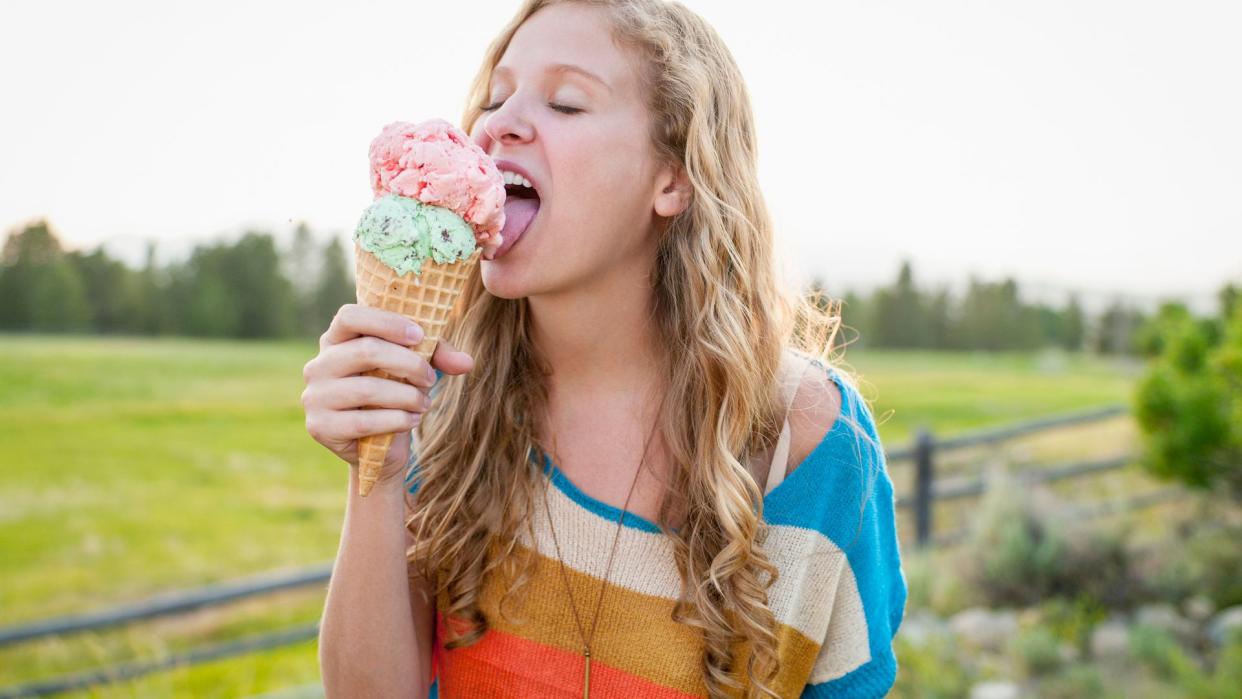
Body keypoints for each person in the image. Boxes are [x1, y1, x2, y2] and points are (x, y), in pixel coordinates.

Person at [304, 1, 907, 697]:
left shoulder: (810, 445)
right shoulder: (435, 409)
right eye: (496, 97)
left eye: (565, 103)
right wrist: (376, 469)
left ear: (674, 177)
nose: (497, 123)